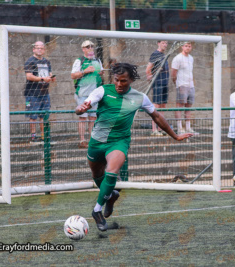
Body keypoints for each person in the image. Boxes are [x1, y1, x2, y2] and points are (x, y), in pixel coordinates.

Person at [75, 63, 192, 231]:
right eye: (117, 80)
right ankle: (110, 196)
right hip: (97, 142)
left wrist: (175, 135)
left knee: (112, 172)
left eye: (124, 81)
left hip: (119, 142)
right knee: (97, 175)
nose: (119, 84)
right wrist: (81, 108)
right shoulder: (102, 90)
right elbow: (83, 107)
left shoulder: (140, 97)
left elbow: (157, 116)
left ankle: (96, 210)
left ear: (131, 80)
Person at [71, 40, 103, 148]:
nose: (90, 48)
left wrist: (100, 73)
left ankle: (92, 140)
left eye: (92, 46)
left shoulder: (97, 60)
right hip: (83, 93)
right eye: (87, 46)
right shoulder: (79, 61)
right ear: (83, 49)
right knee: (83, 117)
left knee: (93, 118)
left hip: (94, 93)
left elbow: (100, 72)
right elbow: (73, 75)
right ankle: (82, 140)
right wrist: (85, 71)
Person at [24, 41, 56, 144]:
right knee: (33, 116)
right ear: (33, 49)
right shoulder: (30, 61)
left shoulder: (47, 62)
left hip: (44, 93)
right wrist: (42, 79)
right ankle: (33, 137)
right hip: (32, 93)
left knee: (44, 115)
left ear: (44, 50)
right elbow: (29, 76)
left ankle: (44, 136)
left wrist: (51, 78)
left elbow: (50, 74)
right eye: (37, 48)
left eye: (41, 48)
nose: (39, 50)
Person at [171, 42, 198, 134]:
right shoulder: (178, 58)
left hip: (190, 85)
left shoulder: (191, 58)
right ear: (182, 47)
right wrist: (177, 83)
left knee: (189, 107)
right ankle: (179, 128)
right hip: (182, 85)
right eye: (186, 46)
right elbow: (173, 73)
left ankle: (188, 127)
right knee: (179, 106)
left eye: (189, 46)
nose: (188, 48)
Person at [146, 40, 170, 136]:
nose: (165, 45)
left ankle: (161, 128)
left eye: (166, 43)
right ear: (158, 43)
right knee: (156, 106)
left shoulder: (164, 55)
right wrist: (151, 79)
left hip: (165, 83)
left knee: (163, 106)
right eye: (163, 43)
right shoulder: (155, 54)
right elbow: (148, 69)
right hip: (158, 83)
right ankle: (154, 129)